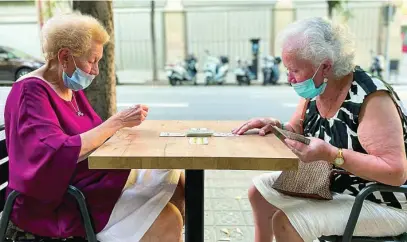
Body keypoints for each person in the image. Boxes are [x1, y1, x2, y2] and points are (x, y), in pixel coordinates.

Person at [4, 12, 184, 242]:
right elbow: (54, 152)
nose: (96, 70)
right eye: (92, 61)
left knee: (177, 180)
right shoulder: (30, 93)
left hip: (85, 183)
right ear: (65, 57)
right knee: (170, 217)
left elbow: (95, 134)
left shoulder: (67, 88)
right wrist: (117, 122)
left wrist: (121, 127)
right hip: (58, 202)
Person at [232, 17, 407, 242]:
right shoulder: (317, 91)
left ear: (325, 66)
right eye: (287, 69)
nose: (289, 78)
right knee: (259, 192)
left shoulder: (371, 98)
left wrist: (332, 155)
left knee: (286, 223)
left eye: (294, 69)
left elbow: (395, 172)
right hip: (336, 185)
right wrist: (276, 128)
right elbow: (298, 130)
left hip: (382, 201)